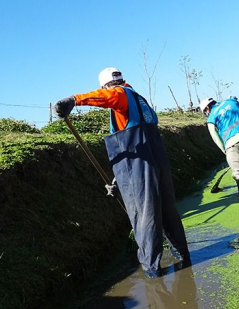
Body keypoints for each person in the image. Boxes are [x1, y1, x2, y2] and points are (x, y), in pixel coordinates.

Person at [53, 68, 190, 278]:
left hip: (141, 168)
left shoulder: (120, 94)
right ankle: (183, 256)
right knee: (168, 212)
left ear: (105, 86)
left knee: (145, 217)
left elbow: (110, 98)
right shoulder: (139, 99)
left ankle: (152, 270)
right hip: (157, 164)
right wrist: (118, 181)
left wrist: (74, 99)